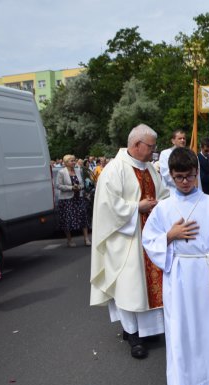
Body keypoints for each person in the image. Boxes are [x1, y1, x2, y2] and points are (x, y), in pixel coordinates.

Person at [141, 147, 209, 385]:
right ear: (170, 175)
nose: (185, 181)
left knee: (205, 328)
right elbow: (150, 241)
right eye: (179, 176)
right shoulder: (164, 208)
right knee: (179, 332)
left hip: (206, 275)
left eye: (190, 176)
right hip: (180, 275)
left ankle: (206, 379)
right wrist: (169, 236)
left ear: (197, 174)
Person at [90, 124, 170, 359]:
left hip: (150, 238)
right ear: (136, 145)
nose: (154, 152)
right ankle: (133, 335)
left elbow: (163, 194)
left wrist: (160, 205)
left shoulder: (150, 169)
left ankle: (149, 331)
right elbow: (107, 207)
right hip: (126, 242)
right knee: (131, 288)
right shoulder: (114, 170)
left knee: (150, 287)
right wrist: (138, 207)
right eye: (151, 147)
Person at [56, 154, 91, 247]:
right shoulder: (61, 172)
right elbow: (58, 186)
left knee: (83, 217)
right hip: (67, 200)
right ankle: (69, 240)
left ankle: (86, 239)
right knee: (67, 220)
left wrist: (79, 187)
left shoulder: (78, 171)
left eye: (74, 160)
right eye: (71, 161)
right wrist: (71, 188)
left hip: (78, 198)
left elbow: (83, 184)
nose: (74, 162)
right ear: (66, 163)